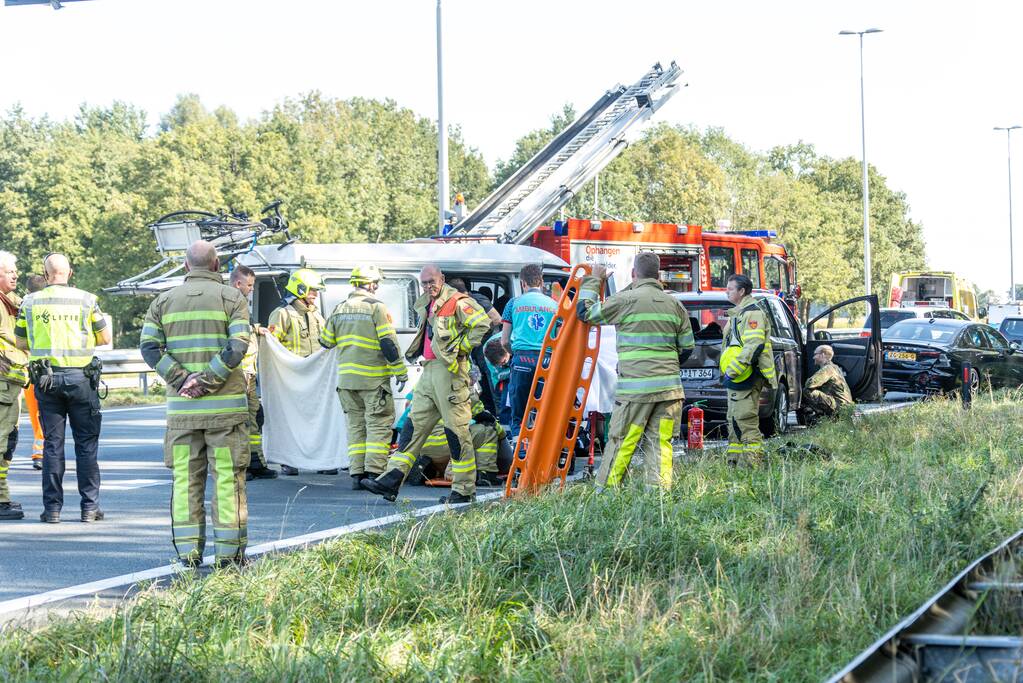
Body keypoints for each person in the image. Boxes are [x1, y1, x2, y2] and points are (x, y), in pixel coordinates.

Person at [140, 241, 251, 567]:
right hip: (224, 414)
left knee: (186, 483)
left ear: (187, 267)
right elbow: (238, 345)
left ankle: (188, 555)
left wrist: (181, 379)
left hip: (182, 414)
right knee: (228, 484)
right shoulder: (233, 298)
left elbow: (149, 348)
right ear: (217, 266)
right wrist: (208, 380)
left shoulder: (162, 302)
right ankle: (229, 557)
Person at [363, 264, 490, 504]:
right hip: (429, 371)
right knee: (412, 426)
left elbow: (483, 323)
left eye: (432, 282)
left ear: (442, 278)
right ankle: (391, 479)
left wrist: (461, 348)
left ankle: (463, 490)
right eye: (424, 283)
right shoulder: (427, 302)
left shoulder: (458, 301)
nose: (428, 286)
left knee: (456, 433)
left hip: (450, 373)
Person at [577, 253, 695, 490]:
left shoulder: (626, 300)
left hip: (635, 392)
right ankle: (659, 493)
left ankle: (608, 492)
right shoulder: (675, 304)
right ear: (658, 275)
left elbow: (586, 314)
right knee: (660, 444)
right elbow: (687, 348)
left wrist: (593, 281)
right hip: (669, 392)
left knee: (623, 441)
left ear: (634, 274)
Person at [15, 253, 111, 523]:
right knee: (86, 446)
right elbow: (105, 337)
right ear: (69, 273)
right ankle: (90, 508)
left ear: (46, 275)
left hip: (46, 381)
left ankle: (53, 510)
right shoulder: (87, 300)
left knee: (52, 446)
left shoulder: (30, 302)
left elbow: (21, 342)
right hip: (82, 380)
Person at [319, 264, 407, 490]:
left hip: (347, 382)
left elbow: (326, 342)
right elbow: (388, 343)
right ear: (370, 284)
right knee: (378, 425)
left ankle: (357, 474)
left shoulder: (338, 309)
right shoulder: (376, 307)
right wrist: (400, 371)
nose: (377, 287)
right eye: (376, 283)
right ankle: (374, 474)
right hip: (373, 380)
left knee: (355, 426)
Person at [268, 267, 329, 475]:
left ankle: (323, 460)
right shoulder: (282, 314)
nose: (315, 294)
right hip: (290, 377)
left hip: (314, 377)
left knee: (317, 418)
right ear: (300, 289)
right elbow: (272, 346)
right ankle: (289, 460)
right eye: (312, 290)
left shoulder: (317, 316)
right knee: (291, 419)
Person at [720, 273, 777, 466]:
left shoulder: (753, 314)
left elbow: (753, 346)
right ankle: (734, 464)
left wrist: (733, 370)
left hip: (746, 376)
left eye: (730, 289)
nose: (726, 292)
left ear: (742, 291)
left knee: (744, 421)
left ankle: (754, 466)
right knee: (734, 421)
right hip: (737, 377)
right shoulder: (739, 313)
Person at [230, 265, 277, 481]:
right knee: (240, 422)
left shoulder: (239, 304)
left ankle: (256, 462)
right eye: (249, 285)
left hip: (248, 375)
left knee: (255, 417)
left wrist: (257, 329)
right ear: (238, 283)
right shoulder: (229, 302)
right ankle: (242, 466)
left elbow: (244, 329)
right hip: (237, 374)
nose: (251, 289)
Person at [502, 264, 558, 442]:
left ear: (523, 283)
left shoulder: (513, 304)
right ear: (541, 282)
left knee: (519, 415)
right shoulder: (555, 305)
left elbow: (504, 340)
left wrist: (514, 354)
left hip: (521, 359)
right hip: (546, 360)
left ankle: (521, 457)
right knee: (545, 411)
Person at [0, 251, 27, 520]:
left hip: (11, 383)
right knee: (1, 441)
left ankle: (3, 496)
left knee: (8, 441)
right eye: (9, 271)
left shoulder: (11, 301)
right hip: (2, 386)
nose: (15, 274)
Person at [23, 274, 47, 470]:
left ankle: (39, 451)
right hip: (50, 370)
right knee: (49, 414)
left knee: (35, 415)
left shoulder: (22, 307)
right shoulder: (49, 307)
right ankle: (42, 451)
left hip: (28, 371)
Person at [802, 345, 853, 423]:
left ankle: (824, 416)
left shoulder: (828, 369)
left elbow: (810, 384)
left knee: (807, 391)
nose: (813, 357)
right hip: (844, 407)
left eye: (815, 354)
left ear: (823, 355)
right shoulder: (834, 367)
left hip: (839, 406)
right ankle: (825, 416)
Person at [482, 334, 511, 428]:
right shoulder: (487, 356)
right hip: (501, 378)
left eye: (503, 362)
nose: (501, 365)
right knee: (502, 402)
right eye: (499, 364)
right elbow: (498, 376)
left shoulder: (514, 340)